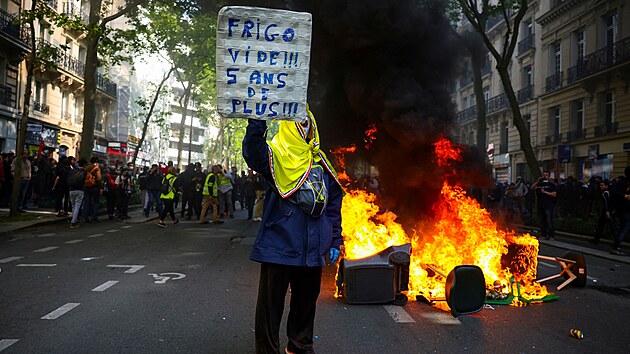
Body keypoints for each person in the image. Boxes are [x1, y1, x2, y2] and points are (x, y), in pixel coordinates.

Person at [242, 106, 344, 354]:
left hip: (313, 246)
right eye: (299, 123)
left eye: (308, 123)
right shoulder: (276, 155)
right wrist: (257, 120)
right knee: (270, 304)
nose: (305, 128)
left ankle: (300, 345)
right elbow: (253, 153)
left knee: (306, 301)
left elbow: (333, 204)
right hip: (280, 243)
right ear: (289, 127)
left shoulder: (321, 162)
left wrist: (334, 239)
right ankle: (267, 349)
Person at [531, 171, 557, 240]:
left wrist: (545, 192)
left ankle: (551, 235)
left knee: (549, 220)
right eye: (544, 175)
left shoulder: (551, 184)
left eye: (546, 175)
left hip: (548, 205)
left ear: (549, 176)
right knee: (542, 221)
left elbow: (554, 194)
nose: (545, 177)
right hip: (540, 205)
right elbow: (532, 188)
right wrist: (538, 181)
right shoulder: (539, 184)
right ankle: (543, 234)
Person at [610, 166, 630, 255]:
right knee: (624, 227)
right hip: (624, 209)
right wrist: (624, 196)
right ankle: (616, 246)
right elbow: (613, 191)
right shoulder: (623, 182)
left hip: (625, 209)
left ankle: (616, 245)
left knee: (624, 227)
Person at [593, 180, 616, 245]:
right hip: (609, 211)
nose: (601, 186)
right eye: (600, 185)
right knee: (611, 227)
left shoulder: (605, 193)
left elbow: (606, 203)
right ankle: (616, 240)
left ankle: (596, 240)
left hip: (606, 212)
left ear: (606, 186)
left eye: (602, 185)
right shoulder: (609, 192)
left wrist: (607, 211)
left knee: (601, 226)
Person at [68, 159, 88, 228]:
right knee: (77, 206)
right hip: (80, 190)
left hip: (71, 190)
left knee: (73, 206)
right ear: (85, 165)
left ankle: (74, 219)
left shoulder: (72, 170)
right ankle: (73, 222)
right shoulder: (85, 172)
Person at [83, 157, 102, 223]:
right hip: (94, 186)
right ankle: (94, 217)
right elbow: (99, 178)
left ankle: (86, 217)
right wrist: (100, 187)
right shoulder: (96, 168)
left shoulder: (86, 168)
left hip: (86, 186)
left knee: (87, 202)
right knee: (95, 202)